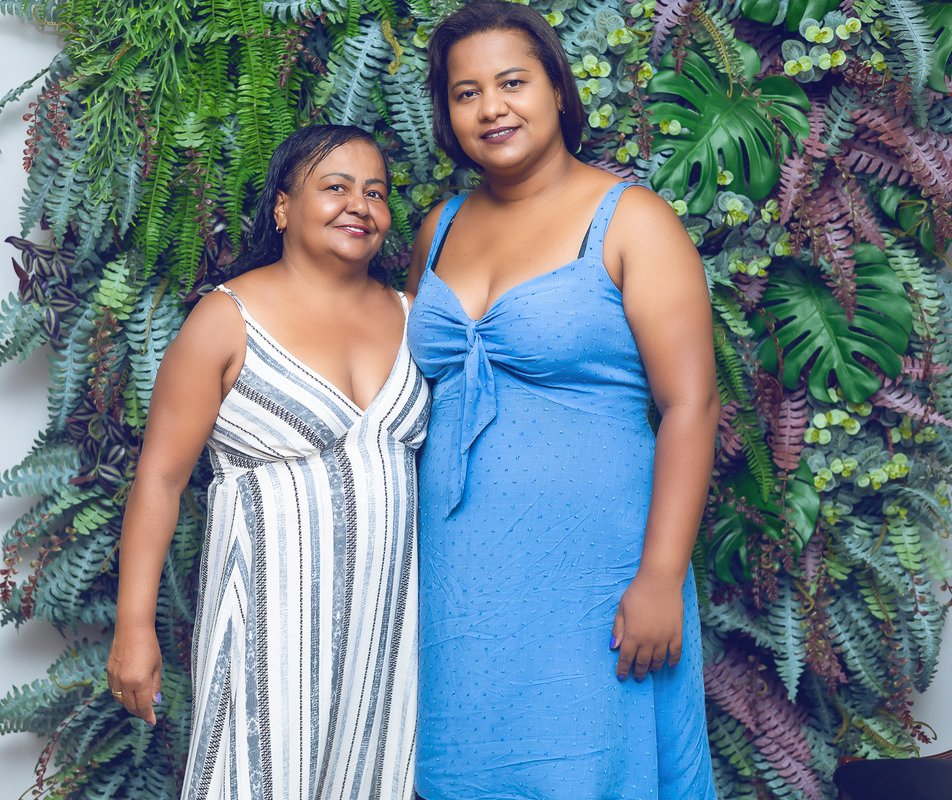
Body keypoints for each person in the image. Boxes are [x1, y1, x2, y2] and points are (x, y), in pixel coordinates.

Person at [404, 2, 720, 798]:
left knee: (587, 765)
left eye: (512, 82)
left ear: (556, 88)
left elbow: (691, 405)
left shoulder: (632, 221)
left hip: (596, 571)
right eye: (467, 92)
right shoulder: (439, 228)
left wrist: (659, 577)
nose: (492, 107)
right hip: (458, 576)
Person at [106, 125, 431, 800]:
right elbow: (160, 479)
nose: (360, 205)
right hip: (266, 624)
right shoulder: (226, 318)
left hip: (388, 631)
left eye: (376, 192)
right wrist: (134, 627)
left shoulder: (414, 317)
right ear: (283, 207)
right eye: (336, 187)